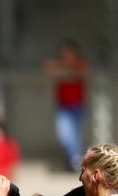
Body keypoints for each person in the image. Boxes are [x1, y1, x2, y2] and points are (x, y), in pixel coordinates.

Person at [44, 40, 89, 170]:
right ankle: (75, 160)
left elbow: (84, 73)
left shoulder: (80, 64)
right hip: (63, 107)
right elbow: (49, 68)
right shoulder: (59, 65)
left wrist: (68, 72)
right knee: (63, 135)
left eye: (68, 53)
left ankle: (74, 161)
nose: (66, 56)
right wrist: (68, 73)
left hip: (77, 107)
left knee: (74, 137)